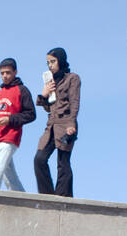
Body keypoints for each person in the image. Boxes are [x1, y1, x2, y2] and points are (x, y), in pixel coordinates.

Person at [0, 57, 36, 191]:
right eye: (2, 73)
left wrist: (10, 119)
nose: (5, 76)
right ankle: (21, 197)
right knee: (8, 175)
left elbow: (31, 114)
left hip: (10, 137)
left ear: (15, 72)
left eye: (8, 72)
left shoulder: (22, 90)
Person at [34, 47, 80, 196]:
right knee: (39, 160)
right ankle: (48, 197)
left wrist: (72, 125)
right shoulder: (51, 82)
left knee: (63, 163)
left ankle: (63, 198)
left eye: (53, 61)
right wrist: (44, 94)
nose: (50, 65)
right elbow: (48, 108)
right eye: (48, 62)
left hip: (66, 125)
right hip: (51, 127)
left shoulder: (72, 78)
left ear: (60, 60)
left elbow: (74, 102)